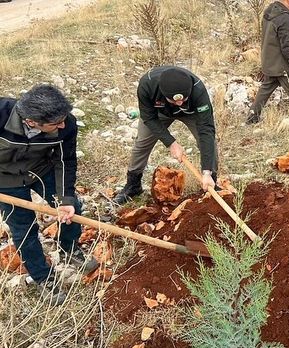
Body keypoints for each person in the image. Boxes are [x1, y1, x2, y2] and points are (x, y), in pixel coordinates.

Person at [0, 85, 100, 305]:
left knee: (73, 208)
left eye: (63, 120)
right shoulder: (2, 114)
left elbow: (65, 161)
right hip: (5, 179)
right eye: (55, 123)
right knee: (23, 230)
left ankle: (70, 249)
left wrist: (65, 199)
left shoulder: (67, 125)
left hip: (40, 169)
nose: (63, 125)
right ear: (31, 121)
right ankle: (43, 277)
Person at [115, 66, 219, 204]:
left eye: (183, 99)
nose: (180, 103)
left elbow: (206, 129)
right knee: (142, 144)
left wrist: (206, 172)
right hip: (159, 114)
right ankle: (133, 185)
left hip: (191, 113)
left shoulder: (198, 90)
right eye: (174, 101)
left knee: (207, 141)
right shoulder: (147, 85)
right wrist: (171, 142)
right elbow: (149, 118)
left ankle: (211, 182)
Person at [246, 0, 289, 132]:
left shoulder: (270, 11)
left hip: (270, 62)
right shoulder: (285, 17)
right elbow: (287, 47)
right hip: (285, 67)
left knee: (264, 91)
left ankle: (252, 118)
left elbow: (279, 38)